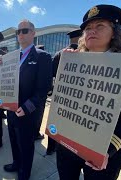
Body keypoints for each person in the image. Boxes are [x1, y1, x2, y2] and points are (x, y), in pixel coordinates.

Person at [56, 5, 121, 180]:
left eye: (100, 26)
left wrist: (107, 149)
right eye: (88, 28)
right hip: (67, 146)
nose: (91, 31)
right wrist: (65, 63)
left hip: (102, 152)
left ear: (114, 32)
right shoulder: (74, 60)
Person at [0, 19, 53, 180]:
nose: (20, 34)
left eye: (25, 31)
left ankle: (24, 172)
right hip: (11, 108)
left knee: (26, 144)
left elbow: (44, 89)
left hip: (27, 111)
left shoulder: (43, 56)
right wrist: (1, 65)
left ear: (33, 33)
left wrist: (28, 107)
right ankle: (16, 163)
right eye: (18, 32)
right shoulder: (11, 57)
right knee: (14, 140)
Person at [46, 28, 83, 156]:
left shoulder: (59, 53)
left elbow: (51, 74)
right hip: (76, 98)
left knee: (55, 122)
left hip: (59, 95)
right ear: (80, 38)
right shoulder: (84, 53)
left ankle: (51, 148)